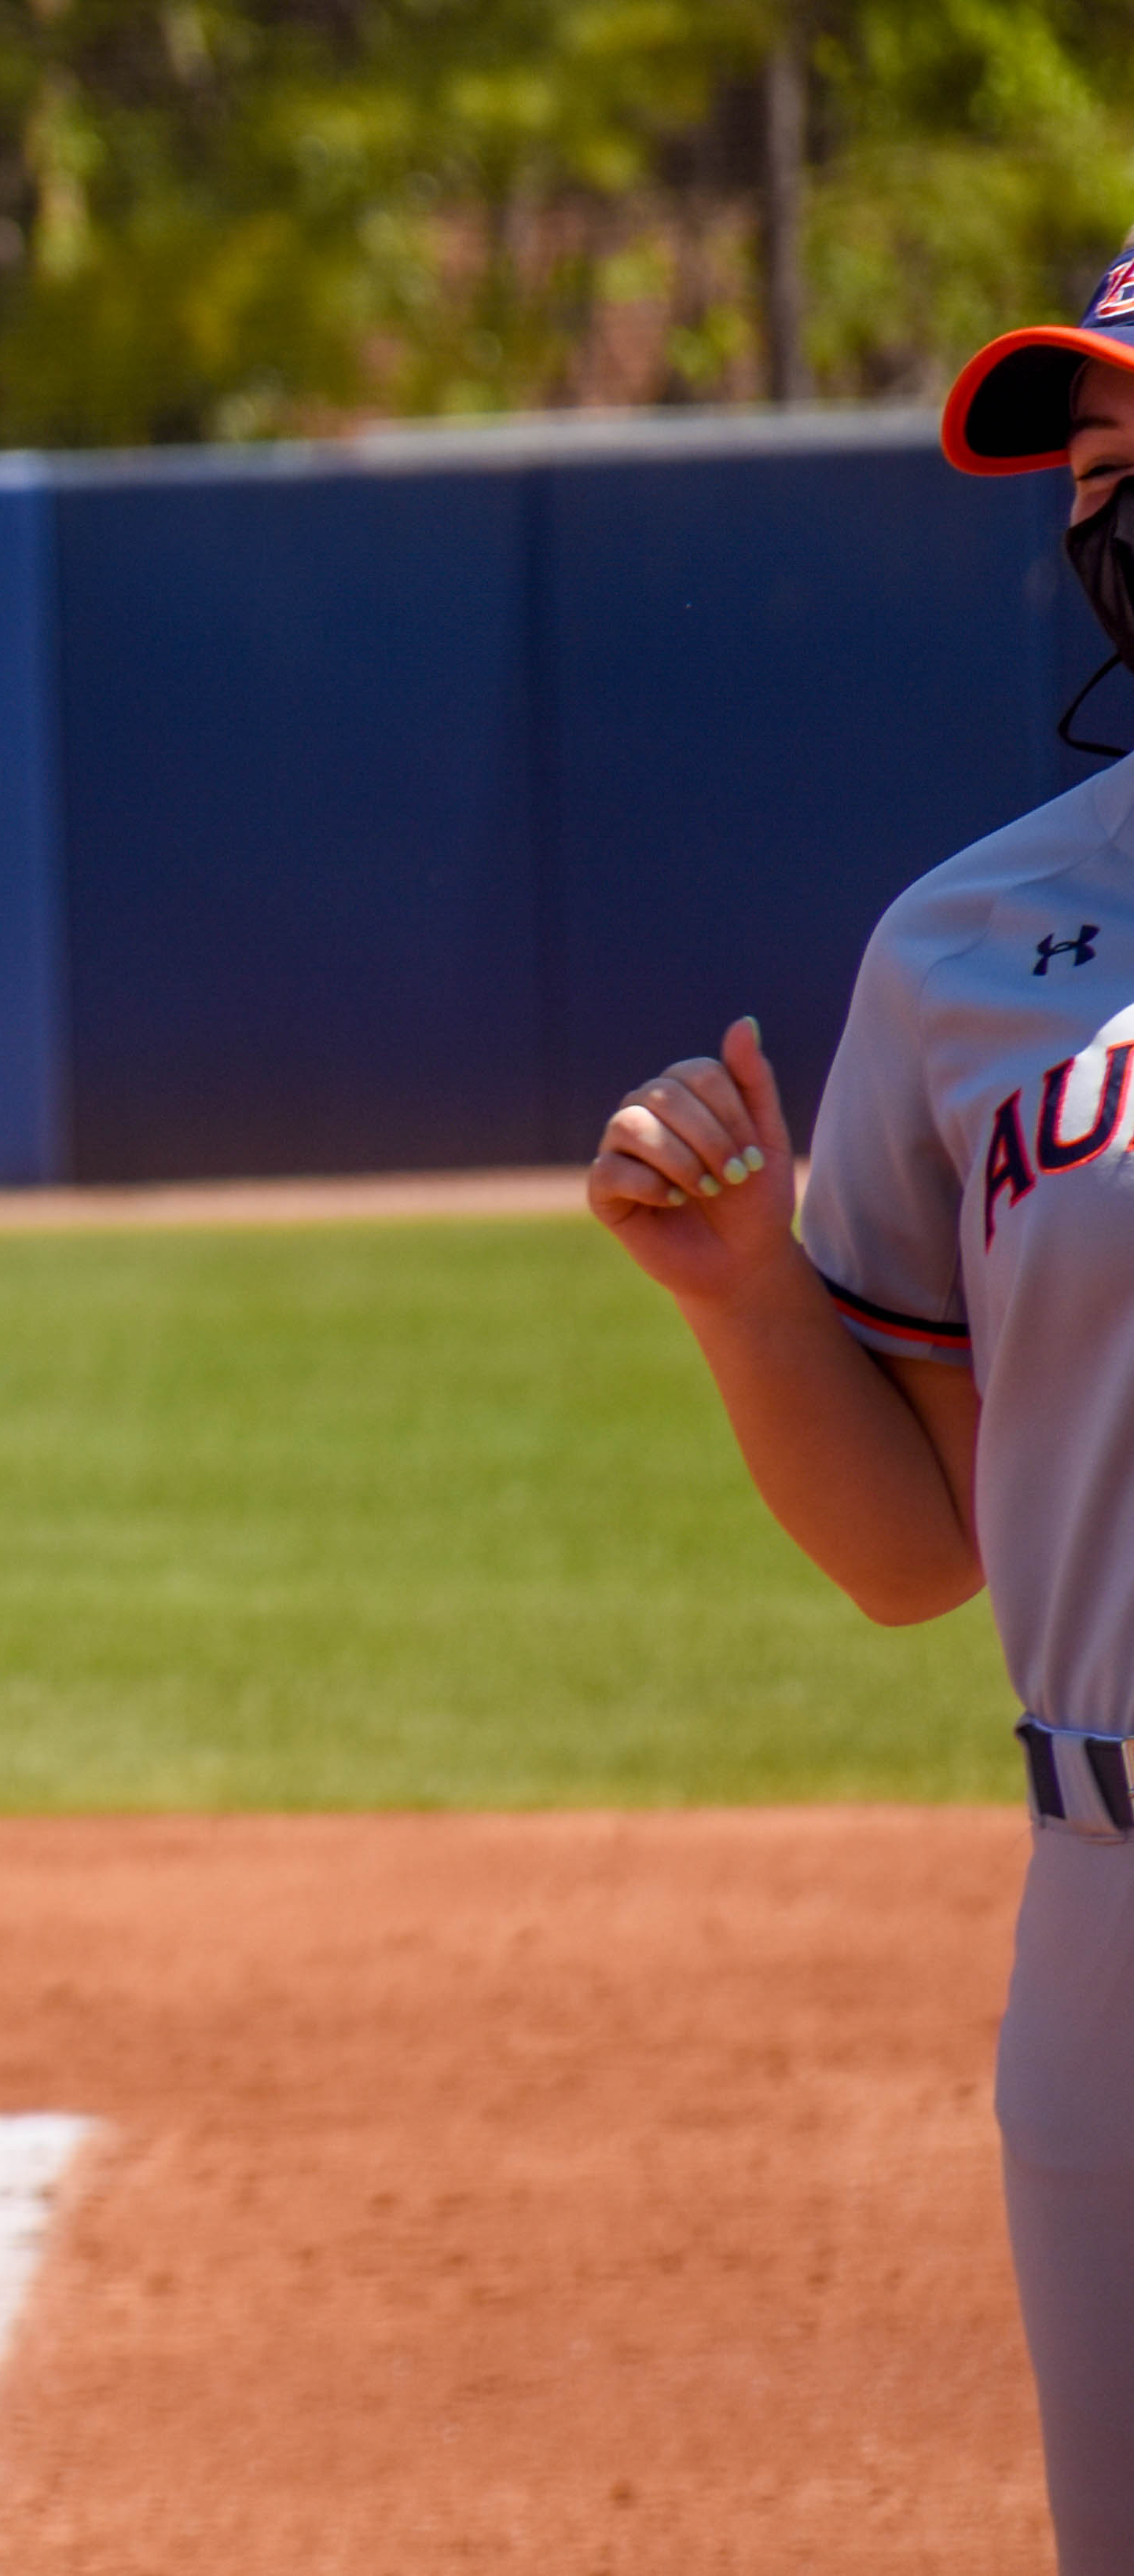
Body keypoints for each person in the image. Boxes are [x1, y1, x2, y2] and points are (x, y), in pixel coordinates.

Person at [591, 247, 1134, 2574]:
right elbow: (918, 1549)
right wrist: (742, 1296)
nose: (1121, 518)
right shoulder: (966, 950)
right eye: (1104, 481)